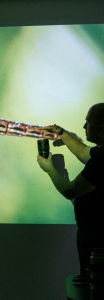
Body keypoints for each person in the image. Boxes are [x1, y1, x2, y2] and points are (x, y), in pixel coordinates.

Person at [37, 103, 104, 282]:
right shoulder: (100, 153)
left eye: (88, 123)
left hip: (97, 241)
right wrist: (63, 134)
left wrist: (50, 169)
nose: (84, 127)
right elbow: (82, 151)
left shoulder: (102, 162)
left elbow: (71, 190)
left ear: (102, 129)